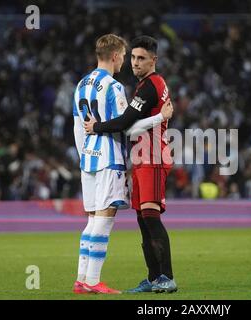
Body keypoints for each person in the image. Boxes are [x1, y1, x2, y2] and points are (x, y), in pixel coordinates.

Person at [72, 34, 173, 294]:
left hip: (88, 156)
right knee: (105, 218)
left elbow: (77, 127)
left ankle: (82, 279)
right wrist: (159, 119)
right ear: (116, 56)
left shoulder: (81, 84)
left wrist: (83, 154)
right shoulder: (114, 87)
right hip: (109, 156)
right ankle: (93, 281)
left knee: (93, 218)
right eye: (129, 57)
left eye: (139, 58)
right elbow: (124, 125)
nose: (130, 62)